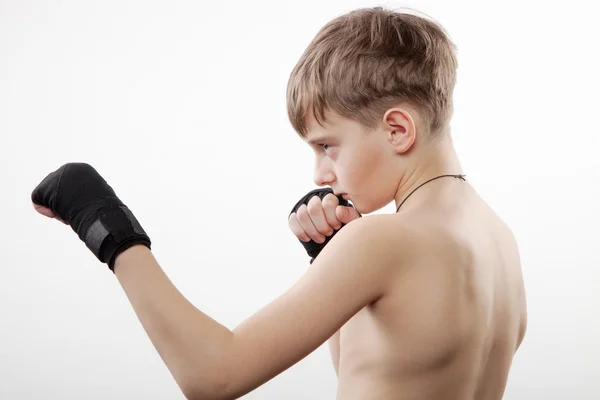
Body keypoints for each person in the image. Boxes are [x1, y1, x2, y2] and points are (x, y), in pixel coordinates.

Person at [31, 6, 527, 400]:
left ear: (398, 129)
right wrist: (328, 254)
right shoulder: (496, 238)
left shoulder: (384, 239)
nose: (321, 174)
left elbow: (212, 376)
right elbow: (369, 370)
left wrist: (102, 220)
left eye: (327, 145)